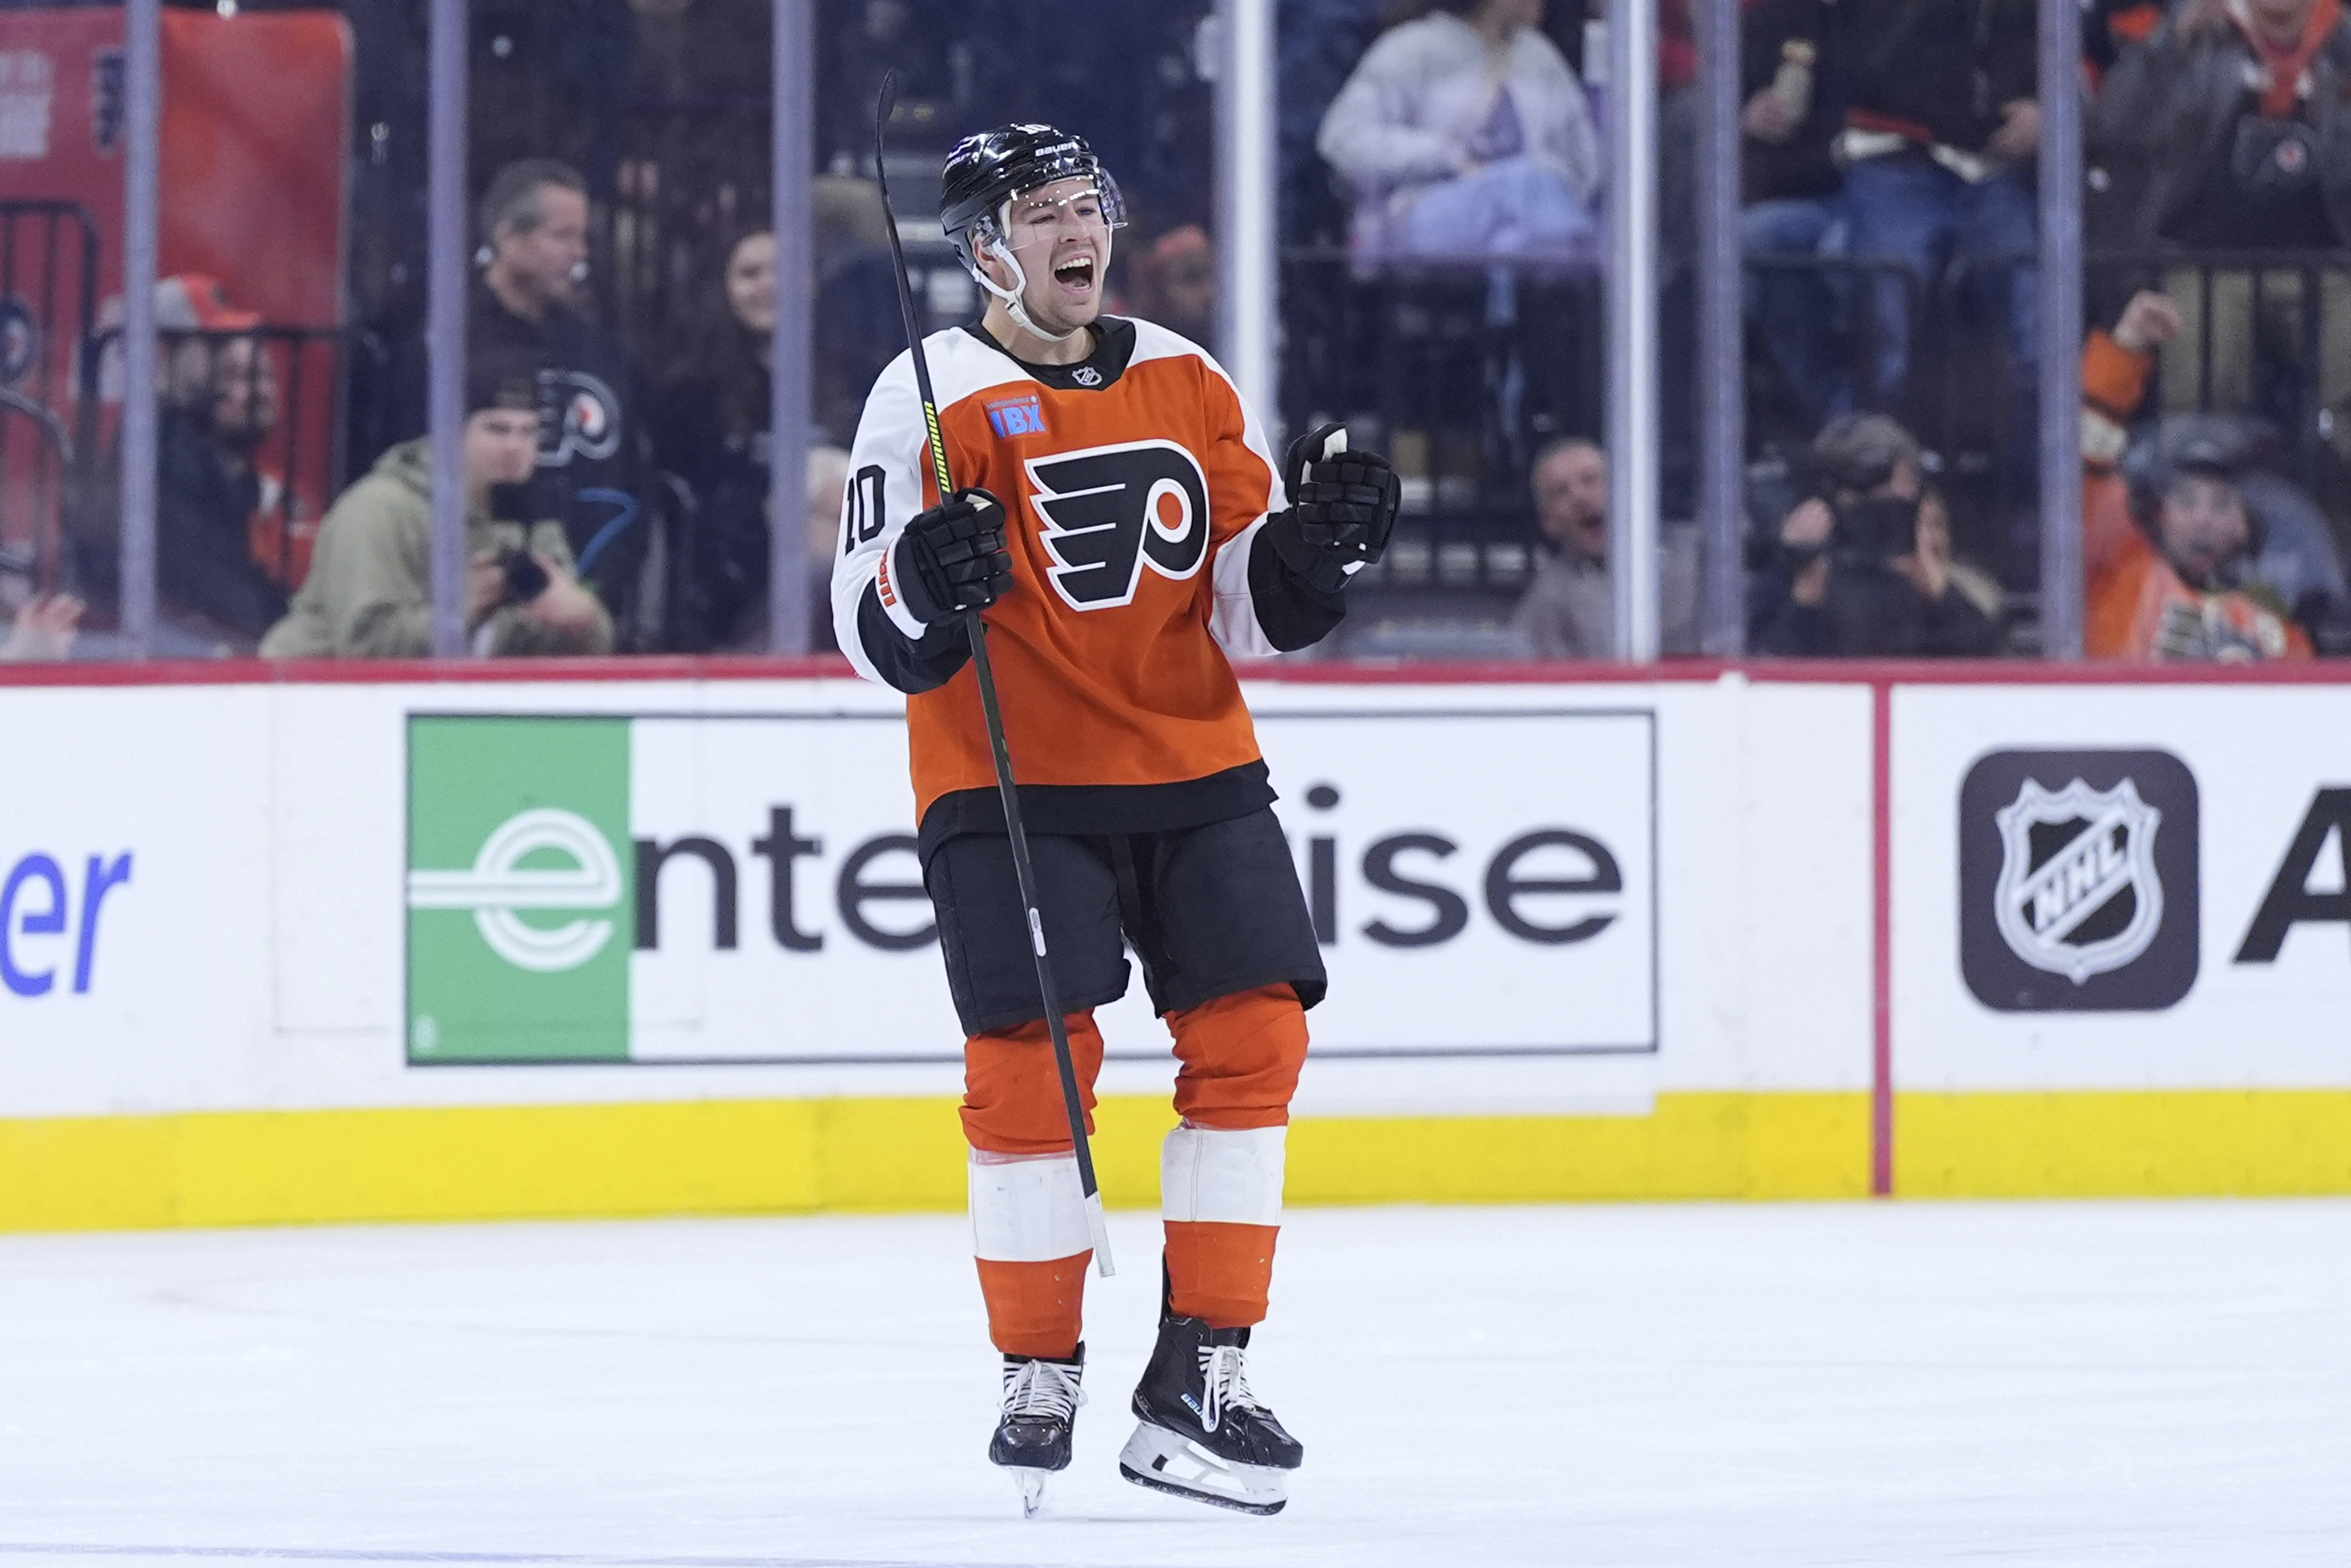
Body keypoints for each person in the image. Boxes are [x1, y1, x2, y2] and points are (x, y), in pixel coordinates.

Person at [833, 124, 1400, 1517]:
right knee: (1033, 1072)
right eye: (1039, 212)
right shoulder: (927, 393)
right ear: (983, 249)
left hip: (1196, 763)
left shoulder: (1187, 375)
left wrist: (1316, 546)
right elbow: (864, 623)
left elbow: (1246, 607)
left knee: (1256, 1037)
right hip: (1007, 781)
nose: (1074, 230)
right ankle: (1039, 1366)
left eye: (1085, 204)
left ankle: (1203, 1365)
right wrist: (920, 578)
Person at [2092, 0, 2351, 420]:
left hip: (2330, 266)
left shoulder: (2342, 41)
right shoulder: (2200, 32)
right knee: (2197, 408)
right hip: (2205, 261)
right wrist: (2171, 44)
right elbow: (2118, 124)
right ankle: (2197, 464)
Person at [421, 160, 650, 631]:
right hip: (470, 606)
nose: (579, 254)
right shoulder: (445, 345)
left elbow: (631, 481)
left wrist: (598, 595)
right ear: (509, 239)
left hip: (584, 610)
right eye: (563, 236)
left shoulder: (600, 353)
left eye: (583, 238)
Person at [262, 353, 613, 659]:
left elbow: (573, 649)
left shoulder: (531, 523)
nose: (514, 448)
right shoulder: (379, 509)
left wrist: (585, 620)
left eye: (529, 432)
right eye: (497, 430)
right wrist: (459, 610)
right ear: (450, 434)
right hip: (307, 698)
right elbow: (364, 648)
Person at [2080, 290, 2312, 660]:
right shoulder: (2119, 575)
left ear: (2245, 523)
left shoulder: (2273, 629)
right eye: (2186, 502)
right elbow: (2084, 453)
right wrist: (2126, 348)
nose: (2203, 518)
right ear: (2160, 513)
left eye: (2221, 504)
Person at [1837, 0, 2039, 411]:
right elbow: (1866, 59)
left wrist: (2047, 106)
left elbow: (2066, 47)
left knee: (2039, 309)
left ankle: (2047, 449)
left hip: (1990, 167)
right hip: (1895, 157)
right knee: (1887, 332)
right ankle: (1879, 447)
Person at [1316, 0, 1601, 261]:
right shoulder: (1412, 48)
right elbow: (1343, 138)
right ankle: (1585, 283)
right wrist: (1444, 157)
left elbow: (1583, 160)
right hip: (1425, 213)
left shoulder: (1539, 56)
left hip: (1527, 220)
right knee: (1528, 183)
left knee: (1516, 234)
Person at [1749, 413, 2001, 656]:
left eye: (1896, 485)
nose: (1875, 508)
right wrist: (1804, 599)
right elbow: (1763, 667)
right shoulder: (1794, 574)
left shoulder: (1956, 587)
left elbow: (1987, 668)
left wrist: (1937, 590)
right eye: (1857, 488)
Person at [651, 228, 775, 651]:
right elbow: (688, 506)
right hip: (729, 588)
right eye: (750, 274)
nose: (768, 285)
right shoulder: (689, 392)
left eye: (784, 271)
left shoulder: (852, 377)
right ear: (722, 288)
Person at [152, 275, 291, 648]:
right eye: (214, 345)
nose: (230, 352)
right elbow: (211, 588)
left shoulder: (199, 448)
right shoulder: (164, 457)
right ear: (164, 354)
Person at [1508, 438, 1701, 657]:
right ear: (1548, 522)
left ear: (1630, 487)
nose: (1579, 497)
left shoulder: (1701, 557)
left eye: (1590, 480)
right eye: (1560, 492)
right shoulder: (1547, 603)